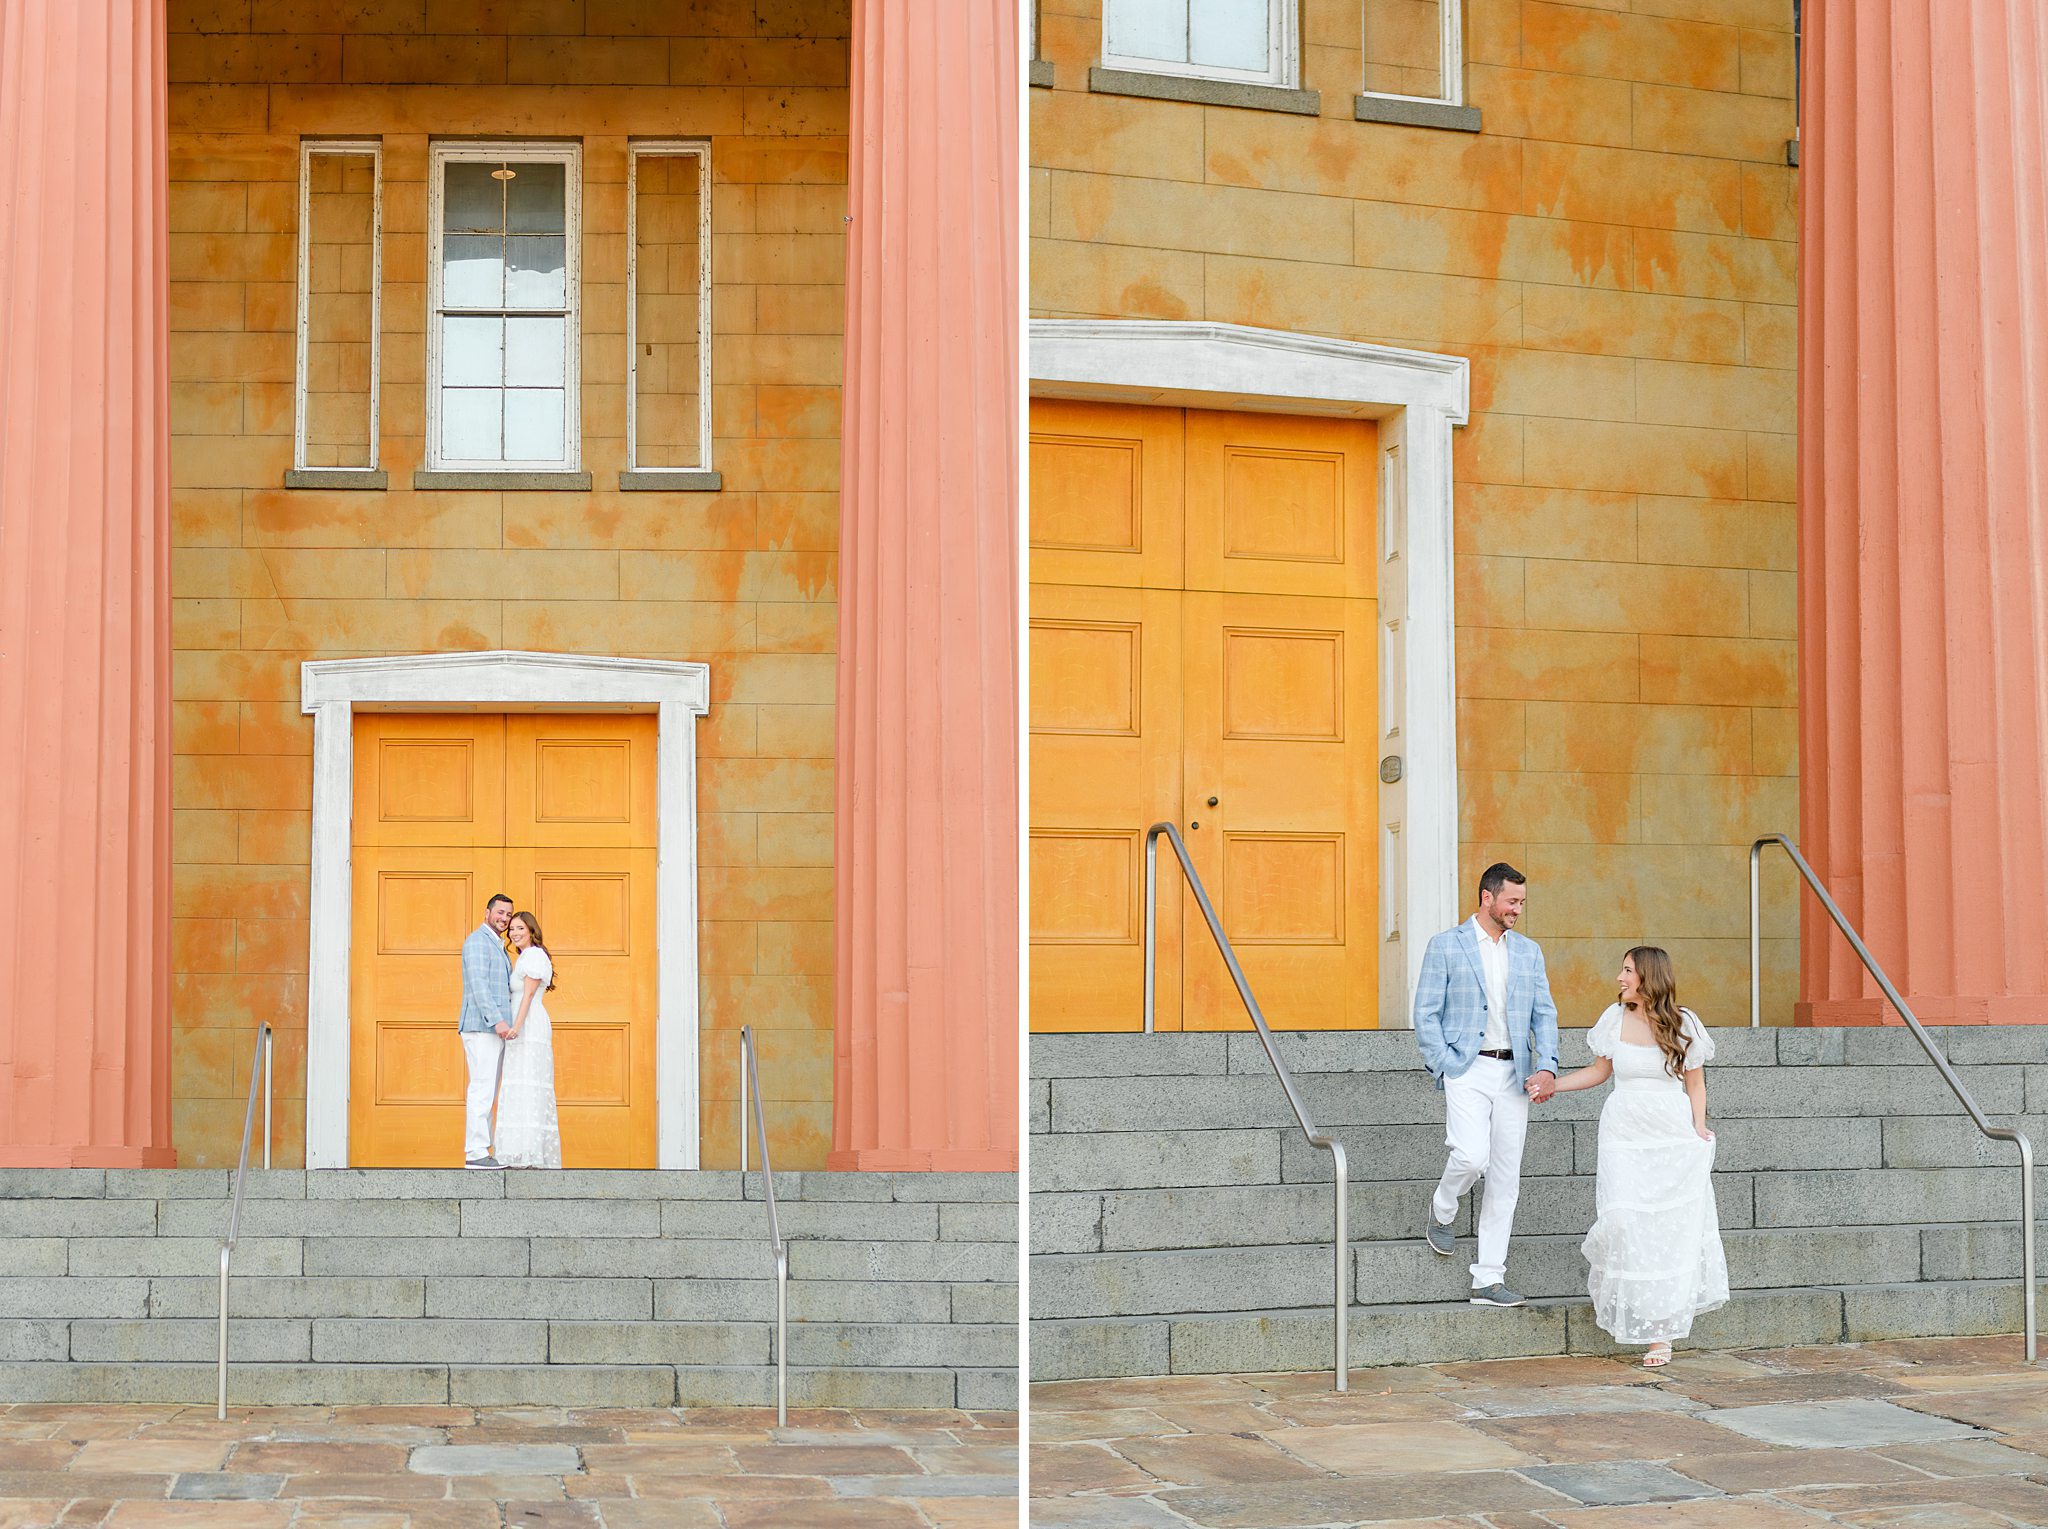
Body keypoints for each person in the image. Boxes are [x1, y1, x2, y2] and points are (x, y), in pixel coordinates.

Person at [1528, 947, 1728, 1366]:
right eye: (1621, 969)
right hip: (1623, 1132)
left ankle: (1660, 1334)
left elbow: (1696, 1084)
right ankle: (1640, 1308)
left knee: (1667, 1230)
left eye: (1627, 971)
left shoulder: (1683, 1023)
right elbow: (1599, 1072)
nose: (1619, 978)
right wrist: (1553, 1085)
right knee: (1623, 1219)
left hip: (1669, 1134)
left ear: (1648, 977)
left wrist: (1698, 1127)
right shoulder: (1612, 1019)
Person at [1412, 863, 1560, 1307]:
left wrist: (1548, 1066)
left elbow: (1544, 1014)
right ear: (1486, 897)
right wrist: (1445, 1064)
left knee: (1506, 1177)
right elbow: (1425, 1014)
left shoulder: (1529, 952)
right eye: (1512, 901)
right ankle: (1443, 1206)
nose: (1518, 910)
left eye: (1521, 902)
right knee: (1472, 1155)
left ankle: (1488, 1279)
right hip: (1467, 1068)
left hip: (1516, 1075)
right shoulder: (1445, 946)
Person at [493, 910, 562, 1169]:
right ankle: (518, 1151)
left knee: (529, 1082)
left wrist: (516, 1027)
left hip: (529, 1026)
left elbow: (529, 995)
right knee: (517, 1083)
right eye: (511, 929)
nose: (515, 933)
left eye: (520, 928)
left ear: (531, 930)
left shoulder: (534, 956)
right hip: (520, 1027)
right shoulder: (523, 957)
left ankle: (531, 1152)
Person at [458, 894, 516, 1170]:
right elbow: (479, 987)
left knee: (488, 1089)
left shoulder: (497, 945)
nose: (504, 918)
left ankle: (483, 1149)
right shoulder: (478, 942)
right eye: (500, 912)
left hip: (493, 1031)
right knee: (481, 1088)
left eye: (508, 915)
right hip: (482, 1028)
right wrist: (497, 1021)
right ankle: (476, 1151)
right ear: (487, 912)